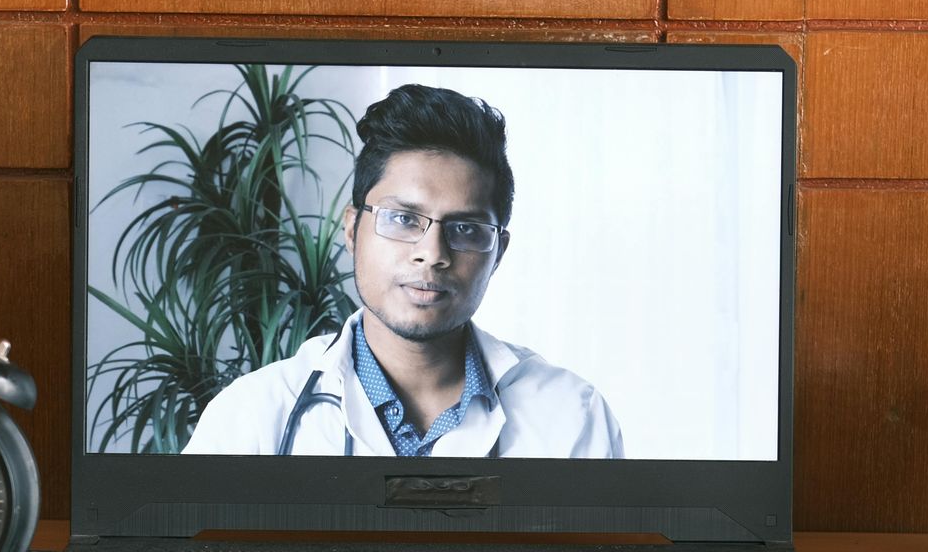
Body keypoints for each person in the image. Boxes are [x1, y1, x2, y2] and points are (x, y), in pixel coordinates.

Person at [182, 84, 624, 458]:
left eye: (466, 228)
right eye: (403, 219)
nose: (431, 254)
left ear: (498, 251)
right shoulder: (250, 416)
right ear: (353, 230)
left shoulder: (572, 417)